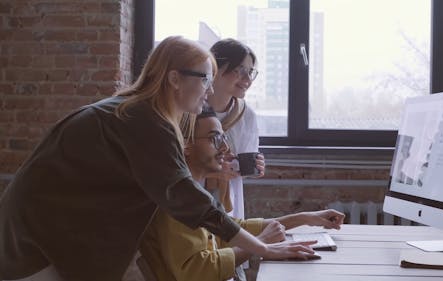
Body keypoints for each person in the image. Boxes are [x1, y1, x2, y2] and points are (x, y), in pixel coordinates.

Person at [0, 36, 315, 281]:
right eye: (204, 79)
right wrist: (262, 248)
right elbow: (187, 197)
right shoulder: (146, 119)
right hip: (35, 240)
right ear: (175, 79)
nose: (209, 89)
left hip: (34, 231)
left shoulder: (136, 110)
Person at [139, 106, 345, 281]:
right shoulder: (177, 200)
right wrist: (262, 244)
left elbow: (233, 229)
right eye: (215, 138)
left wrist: (305, 218)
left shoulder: (190, 191)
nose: (225, 147)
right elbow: (196, 271)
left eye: (223, 138)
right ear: (186, 145)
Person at [205, 38, 264, 220]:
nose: (247, 79)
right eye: (240, 71)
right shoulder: (190, 109)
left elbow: (241, 167)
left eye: (251, 72)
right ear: (216, 68)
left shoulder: (247, 115)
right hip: (192, 199)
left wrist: (254, 167)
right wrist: (212, 169)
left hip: (229, 200)